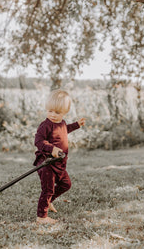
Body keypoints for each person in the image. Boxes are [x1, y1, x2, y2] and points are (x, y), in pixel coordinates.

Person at [33, 89, 86, 224]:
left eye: (57, 112)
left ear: (65, 112)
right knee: (48, 189)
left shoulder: (61, 123)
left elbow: (64, 130)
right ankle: (41, 217)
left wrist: (77, 125)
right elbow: (38, 141)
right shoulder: (45, 125)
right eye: (50, 111)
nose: (53, 115)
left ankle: (49, 201)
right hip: (47, 163)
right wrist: (51, 148)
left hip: (59, 163)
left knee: (66, 184)